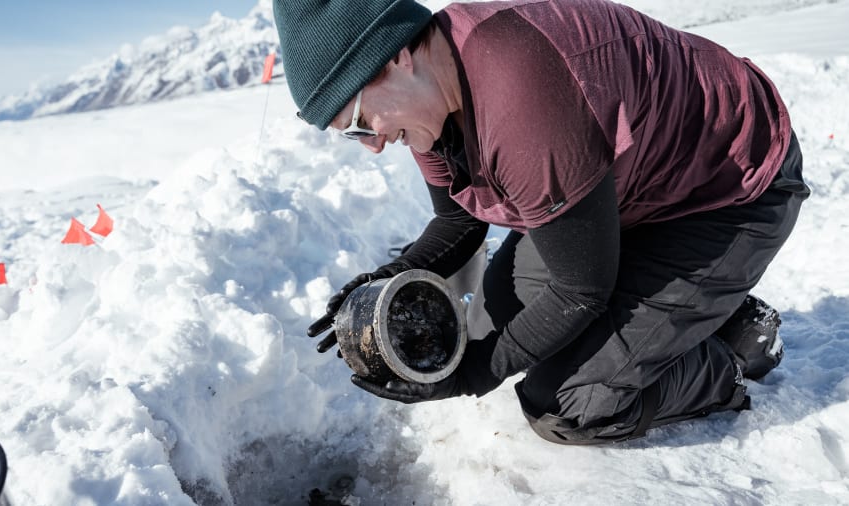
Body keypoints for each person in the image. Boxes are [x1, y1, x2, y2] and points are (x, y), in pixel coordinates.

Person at [273, 0, 810, 444]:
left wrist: (472, 375)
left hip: (728, 190)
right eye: (352, 135)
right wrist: (386, 278)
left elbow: (581, 291)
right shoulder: (432, 100)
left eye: (359, 122)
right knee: (492, 320)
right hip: (627, 192)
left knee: (568, 404)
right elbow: (458, 222)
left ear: (396, 57)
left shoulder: (520, 95)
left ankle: (730, 349)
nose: (371, 145)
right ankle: (690, 308)